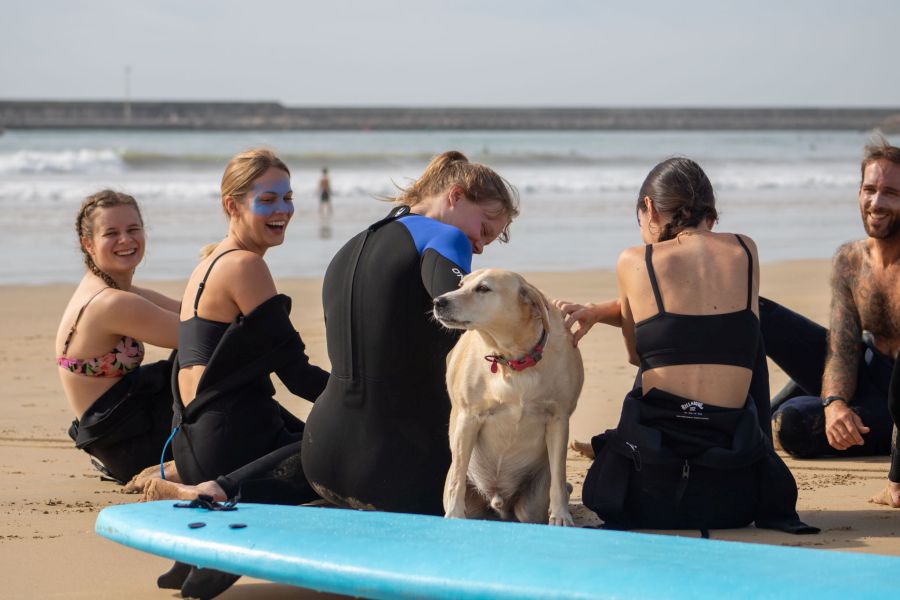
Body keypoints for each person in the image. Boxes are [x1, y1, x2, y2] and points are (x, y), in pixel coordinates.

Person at [558, 157, 816, 534]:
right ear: (709, 213)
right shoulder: (745, 250)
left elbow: (637, 355)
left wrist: (600, 311)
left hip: (650, 495)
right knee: (749, 333)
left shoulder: (635, 259)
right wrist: (600, 310)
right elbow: (702, 323)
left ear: (649, 208)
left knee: (650, 376)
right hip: (736, 495)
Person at [145, 148, 330, 599]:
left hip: (192, 437)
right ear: (233, 205)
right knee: (334, 463)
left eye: (288, 198)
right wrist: (364, 401)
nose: (283, 210)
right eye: (268, 200)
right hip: (226, 435)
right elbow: (296, 374)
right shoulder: (247, 266)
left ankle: (193, 551)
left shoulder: (209, 263)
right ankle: (217, 507)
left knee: (309, 436)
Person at [300, 150, 519, 516]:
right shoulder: (448, 238)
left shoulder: (353, 244)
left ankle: (220, 488)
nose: (478, 245)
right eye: (483, 229)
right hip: (399, 466)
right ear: (456, 196)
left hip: (321, 455)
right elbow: (462, 316)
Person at [760, 139, 900, 507]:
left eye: (890, 193)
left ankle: (772, 424)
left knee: (790, 425)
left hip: (893, 403)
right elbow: (842, 347)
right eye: (870, 190)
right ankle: (725, 428)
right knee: (756, 312)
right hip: (866, 367)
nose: (876, 202)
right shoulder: (851, 260)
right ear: (858, 192)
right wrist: (836, 402)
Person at [56, 190, 180, 484]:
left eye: (133, 229)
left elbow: (193, 312)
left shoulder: (111, 289)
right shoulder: (111, 302)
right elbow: (202, 334)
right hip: (127, 446)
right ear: (89, 244)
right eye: (111, 232)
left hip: (115, 439)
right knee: (197, 357)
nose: (126, 240)